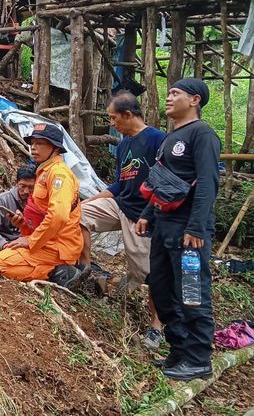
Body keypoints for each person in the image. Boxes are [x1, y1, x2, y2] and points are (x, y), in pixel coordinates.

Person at [136, 78, 220, 381]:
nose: (168, 97)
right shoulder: (171, 136)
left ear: (194, 100)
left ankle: (198, 358)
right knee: (160, 288)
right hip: (164, 228)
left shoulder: (203, 135)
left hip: (189, 232)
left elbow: (208, 183)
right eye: (169, 92)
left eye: (175, 93)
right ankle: (179, 350)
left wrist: (197, 227)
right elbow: (160, 181)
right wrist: (147, 214)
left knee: (192, 292)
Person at [78, 91, 164, 350]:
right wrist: (89, 201)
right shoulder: (123, 144)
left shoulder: (157, 139)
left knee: (149, 274)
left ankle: (156, 327)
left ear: (129, 115)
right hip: (120, 205)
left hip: (144, 216)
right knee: (77, 215)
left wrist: (152, 213)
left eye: (114, 118)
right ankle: (85, 269)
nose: (111, 123)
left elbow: (165, 181)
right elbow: (119, 184)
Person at [0, 124, 83, 287]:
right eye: (32, 143)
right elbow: (41, 212)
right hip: (45, 242)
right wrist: (22, 224)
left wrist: (31, 240)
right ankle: (57, 269)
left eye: (40, 143)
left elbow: (58, 216)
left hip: (58, 246)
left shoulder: (59, 175)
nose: (33, 147)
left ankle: (58, 272)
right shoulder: (44, 171)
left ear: (55, 148)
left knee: (3, 263)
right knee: (3, 256)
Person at [0, 165, 36, 251]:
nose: (26, 191)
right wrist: (3, 245)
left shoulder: (39, 202)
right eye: (22, 186)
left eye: (31, 187)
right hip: (5, 245)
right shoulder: (2, 199)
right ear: (16, 183)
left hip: (28, 244)